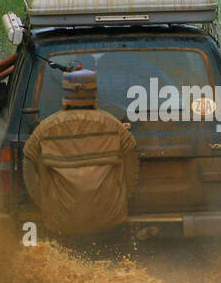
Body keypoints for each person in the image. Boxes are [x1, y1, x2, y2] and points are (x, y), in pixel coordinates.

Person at [22, 69, 139, 236]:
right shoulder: (115, 126)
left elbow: (29, 169)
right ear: (94, 93)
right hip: (110, 218)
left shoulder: (44, 129)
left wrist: (44, 204)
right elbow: (131, 168)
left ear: (65, 94)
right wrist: (121, 200)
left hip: (58, 221)